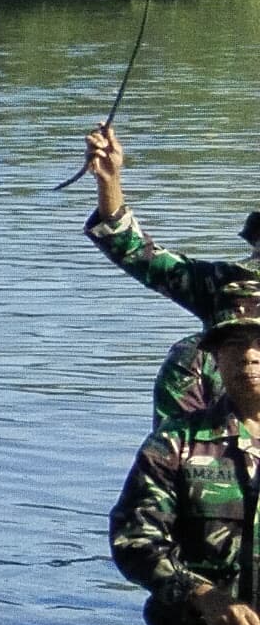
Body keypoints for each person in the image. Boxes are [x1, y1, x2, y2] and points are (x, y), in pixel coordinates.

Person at [106, 285, 260, 625]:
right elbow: (135, 538)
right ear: (214, 358)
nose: (249, 357)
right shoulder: (176, 443)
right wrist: (199, 593)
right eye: (234, 346)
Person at [80, 124, 256, 429]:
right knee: (190, 356)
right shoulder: (226, 285)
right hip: (225, 446)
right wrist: (109, 180)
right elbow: (135, 250)